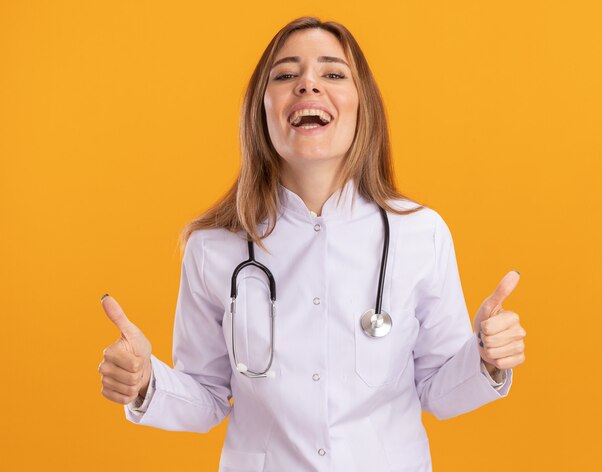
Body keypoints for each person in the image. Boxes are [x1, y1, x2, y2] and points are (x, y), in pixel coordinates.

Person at [98, 16, 526, 472]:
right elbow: (205, 395)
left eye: (333, 73)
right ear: (260, 109)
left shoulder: (421, 233)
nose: (307, 85)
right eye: (285, 75)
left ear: (364, 105)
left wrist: (486, 359)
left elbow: (439, 390)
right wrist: (145, 382)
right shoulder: (213, 248)